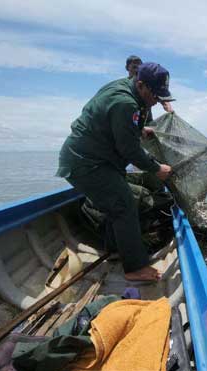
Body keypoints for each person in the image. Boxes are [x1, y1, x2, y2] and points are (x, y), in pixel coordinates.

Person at [56, 62, 175, 282]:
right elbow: (128, 149)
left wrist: (140, 129)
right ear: (141, 85)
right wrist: (156, 168)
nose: (157, 102)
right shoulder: (125, 102)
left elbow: (117, 122)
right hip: (85, 164)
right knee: (124, 203)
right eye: (155, 96)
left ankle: (116, 247)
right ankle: (134, 267)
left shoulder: (125, 89)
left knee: (120, 201)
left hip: (99, 160)